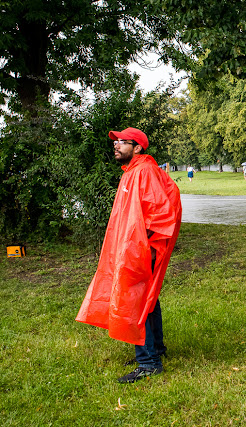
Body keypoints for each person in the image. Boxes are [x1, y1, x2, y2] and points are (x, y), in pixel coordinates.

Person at [76, 127, 182, 383]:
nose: (117, 145)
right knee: (148, 300)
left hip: (140, 249)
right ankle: (156, 350)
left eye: (123, 142)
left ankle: (148, 364)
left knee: (136, 301)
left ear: (137, 148)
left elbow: (160, 211)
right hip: (134, 248)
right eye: (116, 141)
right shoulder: (133, 171)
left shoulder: (143, 171)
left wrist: (144, 248)